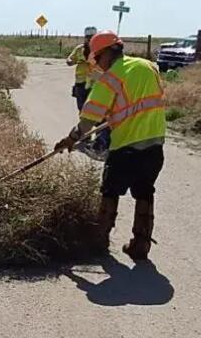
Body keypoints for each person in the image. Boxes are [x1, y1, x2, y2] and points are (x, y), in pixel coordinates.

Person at [55, 31, 167, 261]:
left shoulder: (110, 78)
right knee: (145, 192)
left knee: (110, 190)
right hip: (155, 143)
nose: (97, 64)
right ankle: (141, 245)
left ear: (106, 53)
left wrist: (71, 139)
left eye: (97, 58)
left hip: (126, 145)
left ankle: (99, 241)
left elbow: (88, 120)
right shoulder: (148, 66)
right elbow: (141, 100)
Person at [66, 27, 96, 111]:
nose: (90, 39)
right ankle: (83, 123)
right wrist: (74, 61)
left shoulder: (99, 49)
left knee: (94, 107)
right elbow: (69, 60)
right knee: (81, 107)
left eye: (92, 37)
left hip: (94, 83)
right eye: (88, 37)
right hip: (80, 82)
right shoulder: (79, 49)